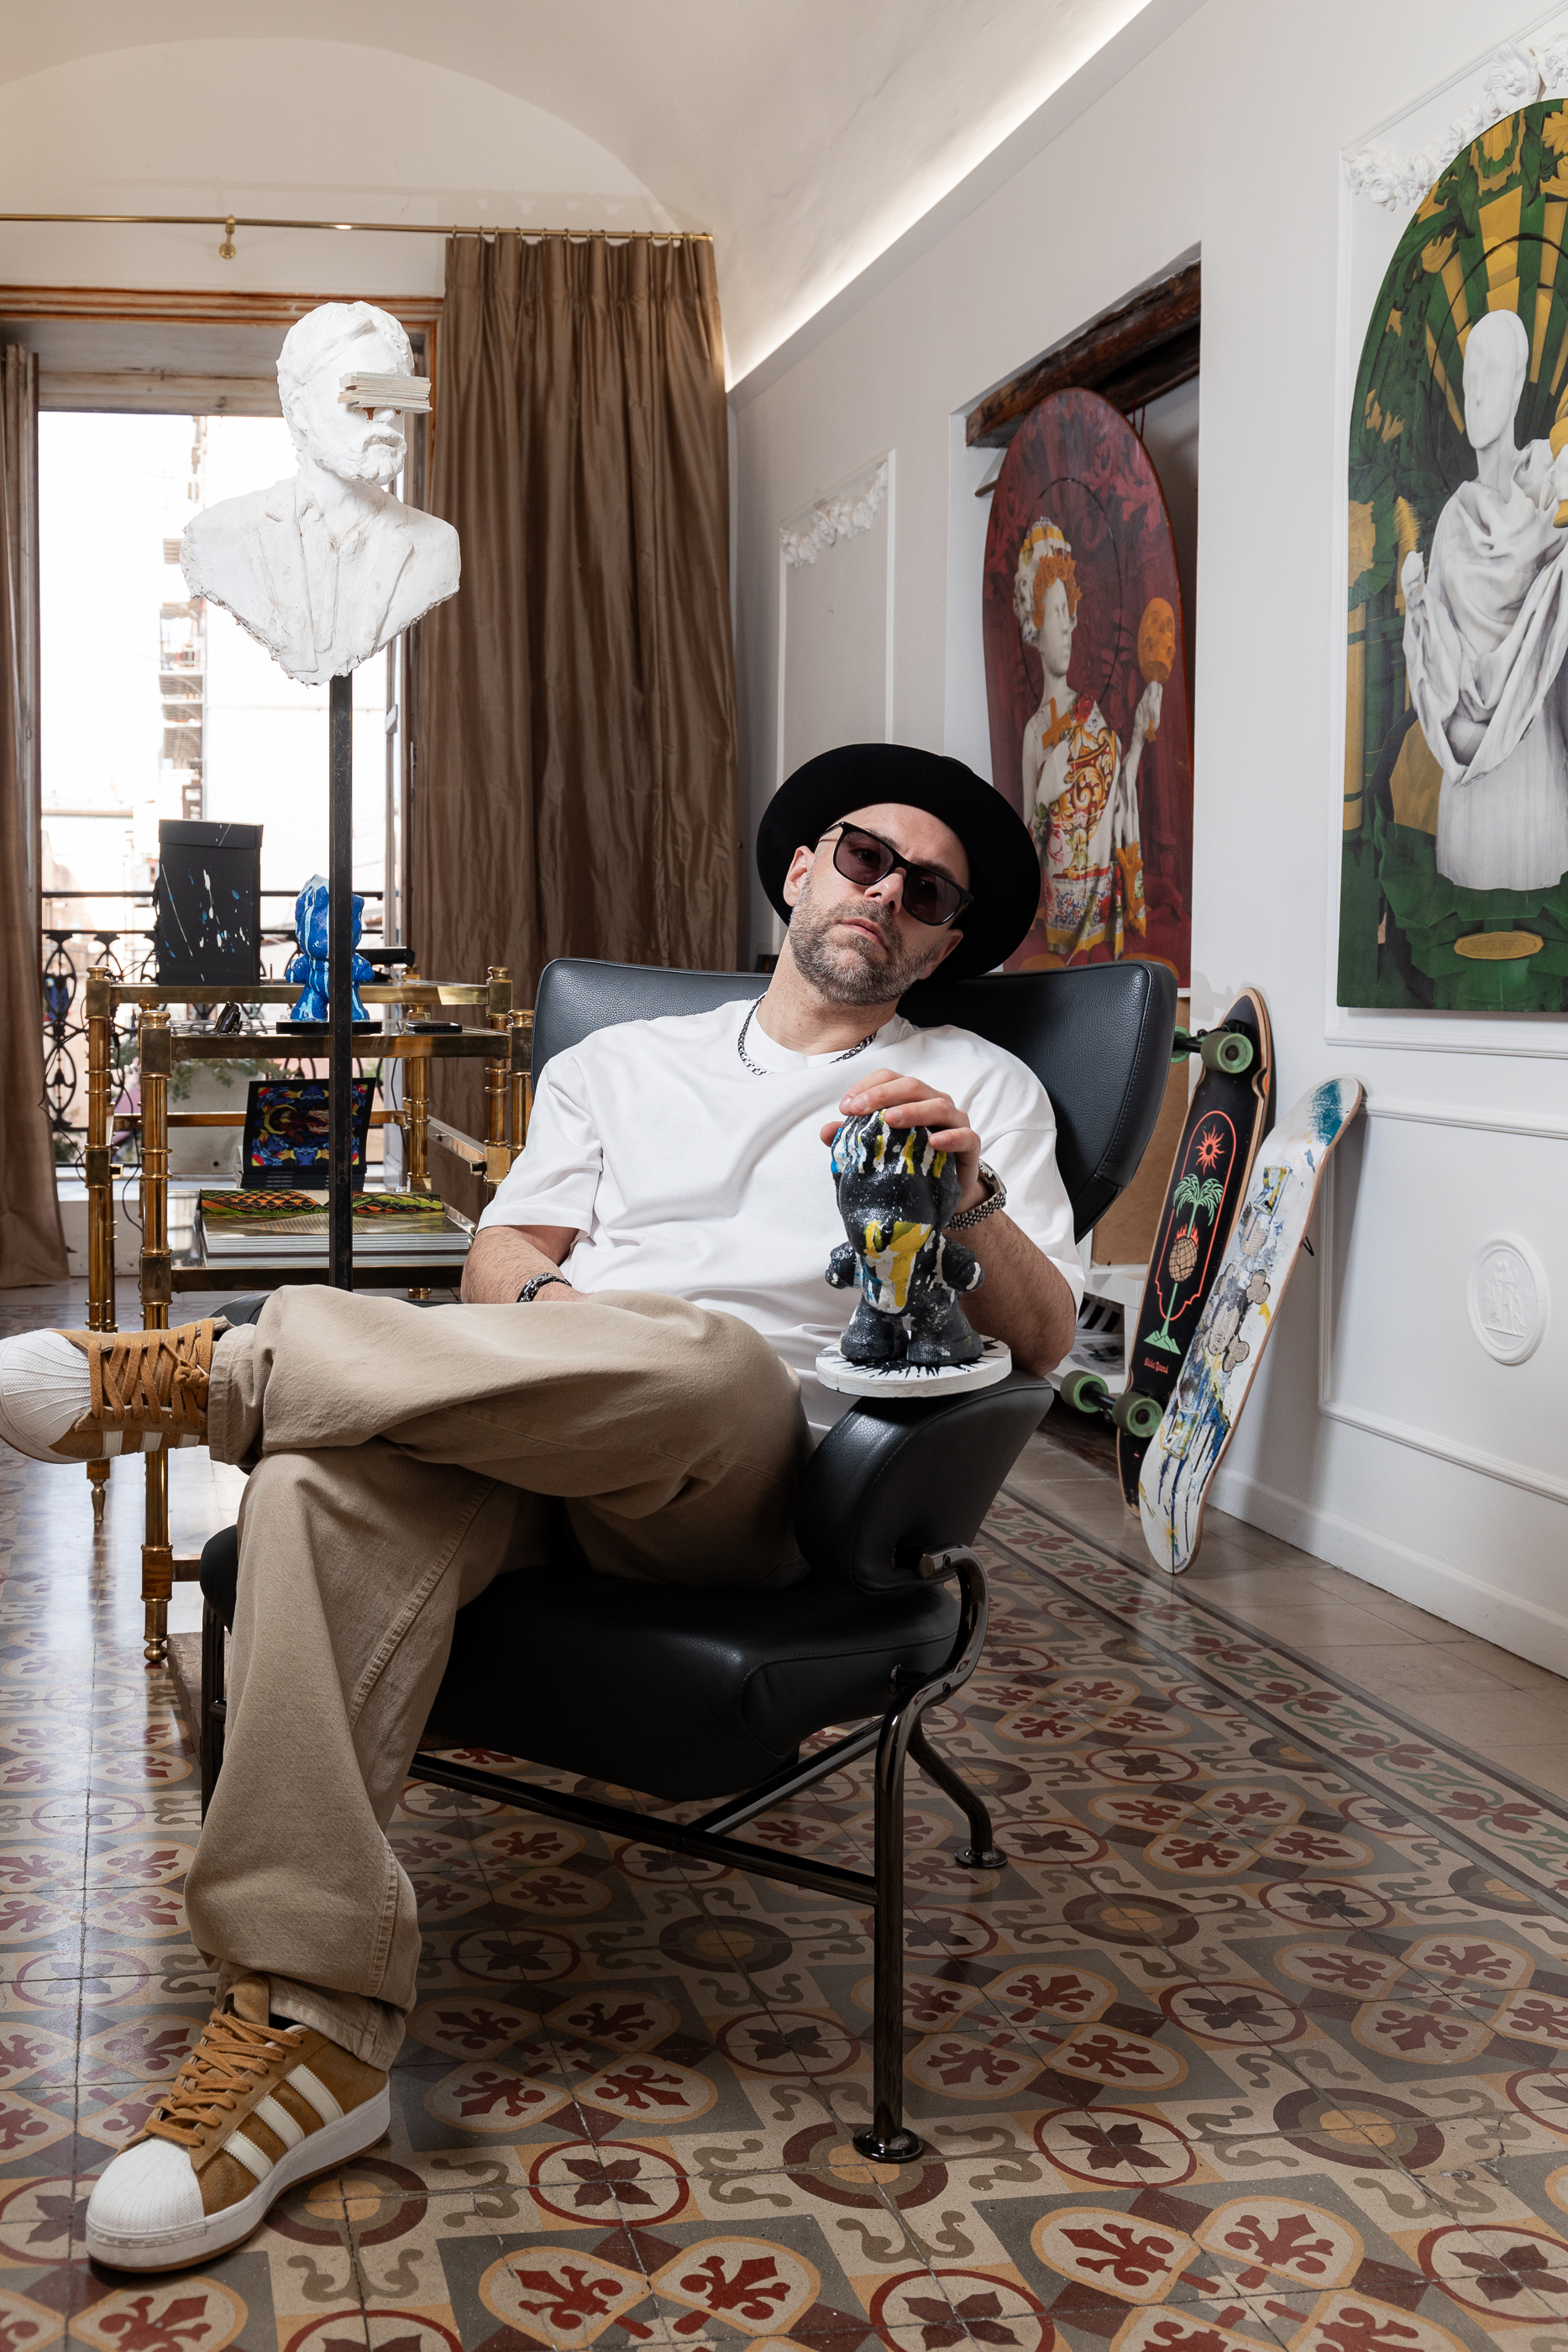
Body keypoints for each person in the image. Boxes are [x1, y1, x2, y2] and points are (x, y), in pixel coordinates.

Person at [0, 744, 1082, 2271]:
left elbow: (1045, 1340)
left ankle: (229, 1372)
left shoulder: (975, 1087)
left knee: (705, 1354)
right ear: (797, 869)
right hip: (543, 1428)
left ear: (943, 942)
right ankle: (311, 2031)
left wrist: (969, 1202)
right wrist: (572, 1331)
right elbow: (501, 1263)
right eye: (862, 858)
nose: (886, 896)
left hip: (754, 1482)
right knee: (316, 1483)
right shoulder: (619, 1065)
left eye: (929, 894)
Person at [181, 300, 459, 687]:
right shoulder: (217, 536)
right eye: (363, 396)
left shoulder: (436, 544)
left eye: (397, 398)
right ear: (300, 410)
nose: (386, 415)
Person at [1401, 307, 1568, 892]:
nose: (1475, 392)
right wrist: (1418, 615)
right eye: (1470, 375)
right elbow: (1440, 678)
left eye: (1492, 371)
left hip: (1534, 785)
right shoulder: (1452, 523)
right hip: (1470, 802)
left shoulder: (1550, 492)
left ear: (1518, 382)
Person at [1015, 518, 1158, 963]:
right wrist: (1045, 792)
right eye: (1054, 613)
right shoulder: (1035, 733)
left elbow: (1118, 798)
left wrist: (1137, 739)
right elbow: (1027, 849)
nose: (1065, 628)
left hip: (1102, 907)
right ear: (1036, 627)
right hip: (1061, 917)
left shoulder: (1092, 714)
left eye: (1067, 612)